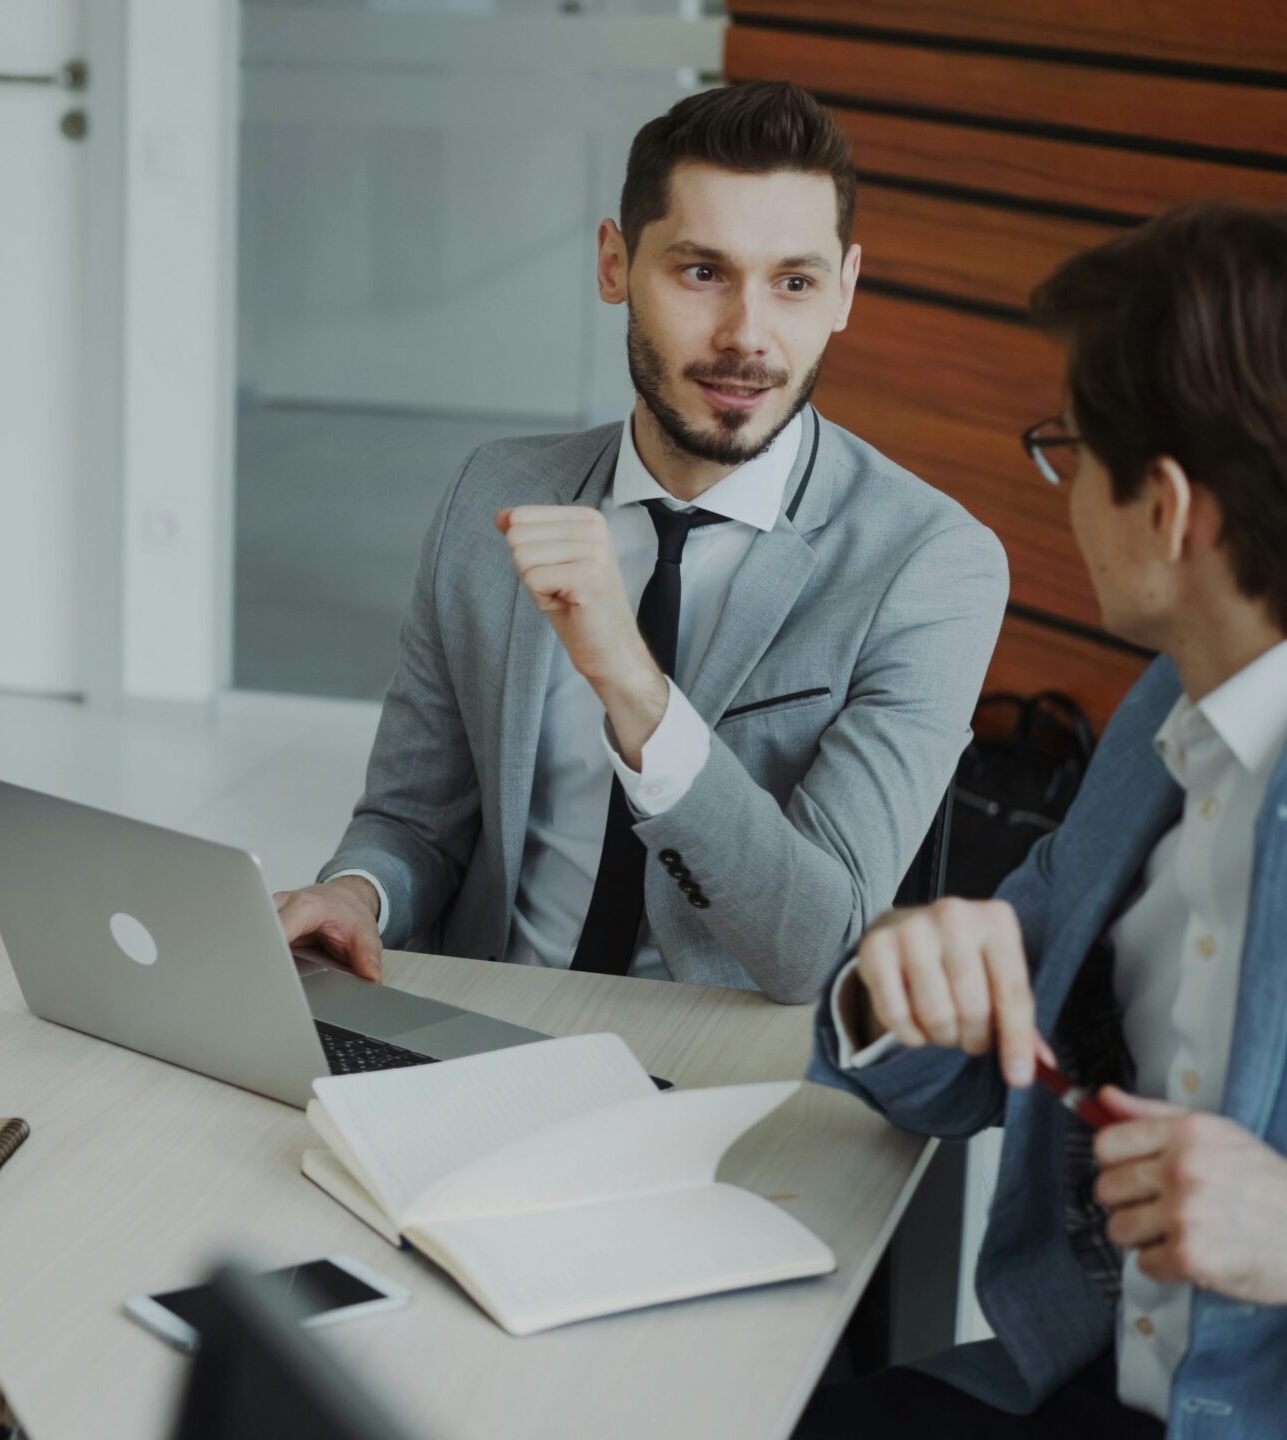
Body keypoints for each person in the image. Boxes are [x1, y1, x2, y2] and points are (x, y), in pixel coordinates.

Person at [274, 82, 1007, 1000]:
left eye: (794, 282)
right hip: (483, 1019)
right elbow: (415, 820)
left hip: (714, 1063)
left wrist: (636, 690)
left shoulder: (930, 564)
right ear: (615, 264)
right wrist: (359, 893)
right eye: (702, 272)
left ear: (845, 291)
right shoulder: (493, 493)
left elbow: (824, 947)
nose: (748, 337)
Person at [799, 202, 1287, 1436]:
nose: (1062, 495)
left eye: (1069, 453)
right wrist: (889, 985)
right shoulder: (1160, 718)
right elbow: (960, 1060)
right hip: (1067, 1384)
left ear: (1169, 510)